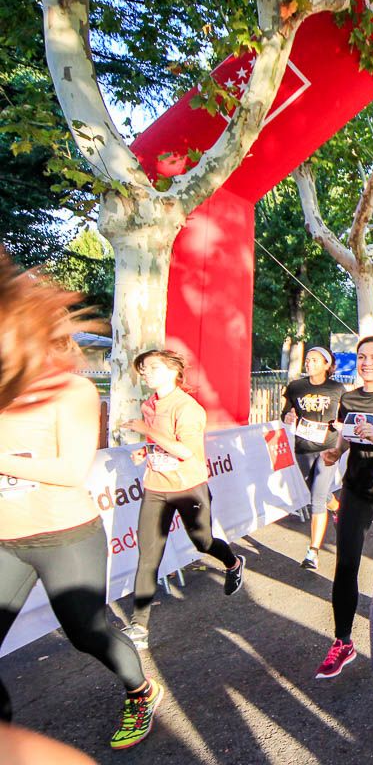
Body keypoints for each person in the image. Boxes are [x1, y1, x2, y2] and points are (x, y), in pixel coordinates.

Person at [0, 255, 162, 750]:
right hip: (5, 540)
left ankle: (141, 691)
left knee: (87, 632)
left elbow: (72, 470)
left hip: (65, 536)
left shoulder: (72, 391)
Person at [122, 349, 246, 649]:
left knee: (203, 542)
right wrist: (145, 450)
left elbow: (185, 451)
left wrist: (146, 431)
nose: (146, 373)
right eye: (143, 368)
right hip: (155, 487)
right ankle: (139, 627)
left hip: (189, 487)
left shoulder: (187, 408)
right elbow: (160, 443)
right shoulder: (149, 404)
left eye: (153, 367)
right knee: (148, 556)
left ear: (173, 371)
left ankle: (232, 563)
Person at [315, 335, 373, 679]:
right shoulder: (349, 397)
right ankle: (342, 641)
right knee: (346, 563)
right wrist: (337, 451)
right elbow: (346, 432)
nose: (367, 363)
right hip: (355, 487)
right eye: (362, 357)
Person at [282, 347, 346, 570]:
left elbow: (345, 416)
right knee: (318, 492)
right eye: (308, 360)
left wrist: (340, 424)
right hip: (303, 448)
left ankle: (313, 552)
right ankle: (337, 508)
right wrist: (288, 415)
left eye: (315, 360)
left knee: (317, 499)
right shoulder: (296, 387)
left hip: (328, 448)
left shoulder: (337, 388)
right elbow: (286, 411)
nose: (309, 363)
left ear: (327, 365)